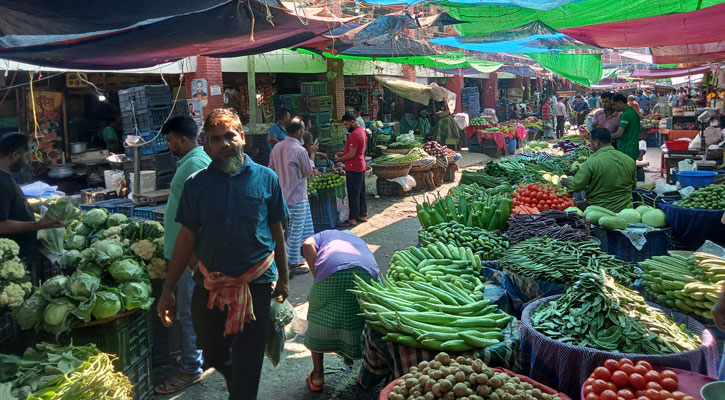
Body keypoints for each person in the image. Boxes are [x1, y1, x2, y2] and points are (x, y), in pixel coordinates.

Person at [157, 108, 289, 400]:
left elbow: (277, 230)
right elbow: (186, 238)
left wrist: (284, 277)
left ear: (242, 137)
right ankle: (238, 383)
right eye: (216, 139)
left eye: (230, 136)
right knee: (213, 353)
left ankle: (241, 390)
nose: (224, 143)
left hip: (254, 288)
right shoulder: (196, 185)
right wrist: (168, 288)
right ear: (207, 145)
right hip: (210, 285)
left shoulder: (267, 179)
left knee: (248, 364)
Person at [155, 116, 211, 395]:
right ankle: (197, 355)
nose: (169, 145)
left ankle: (191, 367)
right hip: (187, 253)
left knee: (188, 311)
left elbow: (207, 211)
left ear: (184, 139)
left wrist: (193, 252)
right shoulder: (190, 162)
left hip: (190, 256)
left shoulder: (195, 164)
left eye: (170, 140)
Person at [301, 230, 381, 392]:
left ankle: (317, 377)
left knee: (318, 317)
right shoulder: (355, 239)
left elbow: (307, 245)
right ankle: (366, 376)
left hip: (334, 272)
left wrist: (318, 280)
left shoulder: (320, 237)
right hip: (367, 272)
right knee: (365, 320)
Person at [0, 133, 64, 265]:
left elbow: (11, 205)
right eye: (27, 155)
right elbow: (1, 225)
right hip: (14, 259)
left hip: (22, 252)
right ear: (15, 155)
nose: (28, 160)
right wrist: (39, 225)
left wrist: (36, 206)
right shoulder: (1, 182)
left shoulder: (6, 176)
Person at [269, 118, 316, 277]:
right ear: (298, 132)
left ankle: (300, 255)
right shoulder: (299, 150)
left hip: (281, 195)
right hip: (297, 195)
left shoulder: (277, 147)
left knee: (297, 228)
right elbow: (308, 171)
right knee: (296, 230)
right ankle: (291, 262)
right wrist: (313, 154)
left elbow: (271, 169)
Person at [561, 128, 636, 213]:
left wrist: (567, 181)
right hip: (626, 210)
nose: (590, 145)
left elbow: (577, 185)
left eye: (591, 142)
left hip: (599, 210)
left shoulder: (591, 162)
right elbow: (633, 185)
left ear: (596, 142)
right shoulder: (629, 160)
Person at [335, 113, 367, 226]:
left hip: (353, 167)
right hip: (361, 165)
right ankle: (363, 215)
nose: (346, 127)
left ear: (353, 122)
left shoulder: (354, 134)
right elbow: (355, 151)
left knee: (353, 193)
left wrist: (340, 158)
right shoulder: (362, 131)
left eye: (347, 124)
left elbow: (352, 154)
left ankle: (353, 217)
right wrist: (343, 154)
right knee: (361, 191)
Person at [612, 93, 641, 161]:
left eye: (614, 104)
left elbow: (619, 133)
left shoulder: (626, 115)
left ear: (620, 102)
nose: (613, 107)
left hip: (627, 148)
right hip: (633, 146)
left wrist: (607, 137)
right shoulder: (633, 112)